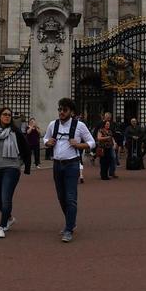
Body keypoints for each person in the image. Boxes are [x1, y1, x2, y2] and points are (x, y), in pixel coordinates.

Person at [43, 98, 94, 242]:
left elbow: (92, 142)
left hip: (72, 165)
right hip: (57, 164)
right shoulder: (53, 124)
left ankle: (68, 229)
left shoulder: (80, 126)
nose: (61, 112)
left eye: (64, 110)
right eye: (60, 109)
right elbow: (45, 139)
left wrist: (79, 145)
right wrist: (48, 142)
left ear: (71, 112)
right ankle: (71, 222)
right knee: (61, 197)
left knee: (71, 198)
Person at [0, 107, 32, 238]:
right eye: (4, 114)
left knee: (6, 198)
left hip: (11, 169)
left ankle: (2, 226)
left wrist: (20, 164)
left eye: (9, 115)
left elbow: (26, 150)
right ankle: (9, 218)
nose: (7, 116)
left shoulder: (15, 132)